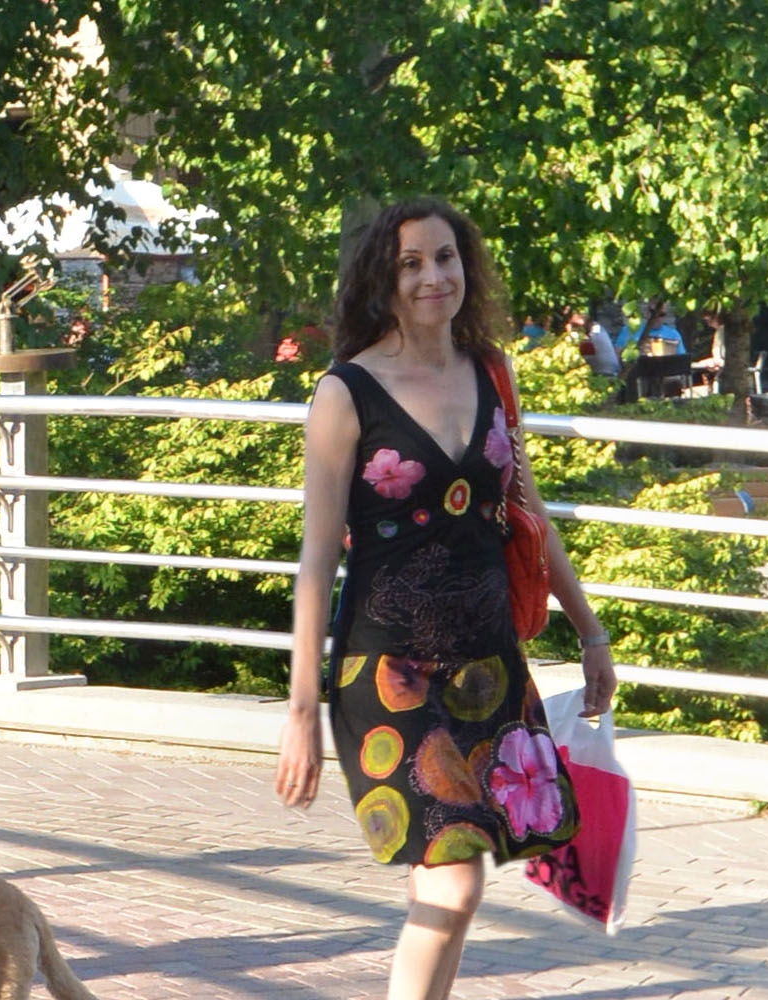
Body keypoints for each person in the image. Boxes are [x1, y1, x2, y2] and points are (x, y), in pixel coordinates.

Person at [276, 198, 616, 1000]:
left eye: (446, 257)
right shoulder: (346, 394)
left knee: (449, 887)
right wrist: (299, 711)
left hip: (488, 665)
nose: (434, 276)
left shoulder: (490, 372)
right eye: (411, 263)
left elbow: (527, 516)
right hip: (389, 672)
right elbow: (317, 561)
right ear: (382, 281)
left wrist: (590, 632)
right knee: (455, 881)